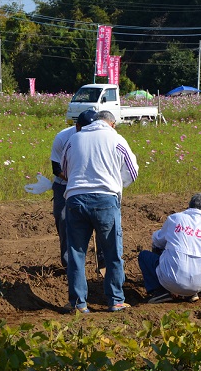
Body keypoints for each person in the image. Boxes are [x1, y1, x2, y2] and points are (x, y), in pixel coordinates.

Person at [61, 110, 138, 313]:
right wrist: (116, 184)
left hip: (75, 200)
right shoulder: (116, 138)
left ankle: (78, 303)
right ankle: (115, 300)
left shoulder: (74, 139)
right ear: (112, 124)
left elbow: (65, 170)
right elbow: (132, 170)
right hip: (106, 199)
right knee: (113, 252)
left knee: (76, 253)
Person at [138, 193, 201, 304]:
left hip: (170, 280)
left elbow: (157, 240)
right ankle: (191, 293)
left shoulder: (176, 218)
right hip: (200, 284)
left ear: (189, 206)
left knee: (144, 255)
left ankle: (160, 291)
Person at [50, 109, 97, 269]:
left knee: (97, 221)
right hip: (64, 185)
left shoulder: (98, 138)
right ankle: (69, 264)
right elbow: (56, 168)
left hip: (89, 186)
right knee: (63, 221)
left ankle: (101, 260)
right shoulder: (62, 137)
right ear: (77, 126)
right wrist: (74, 181)